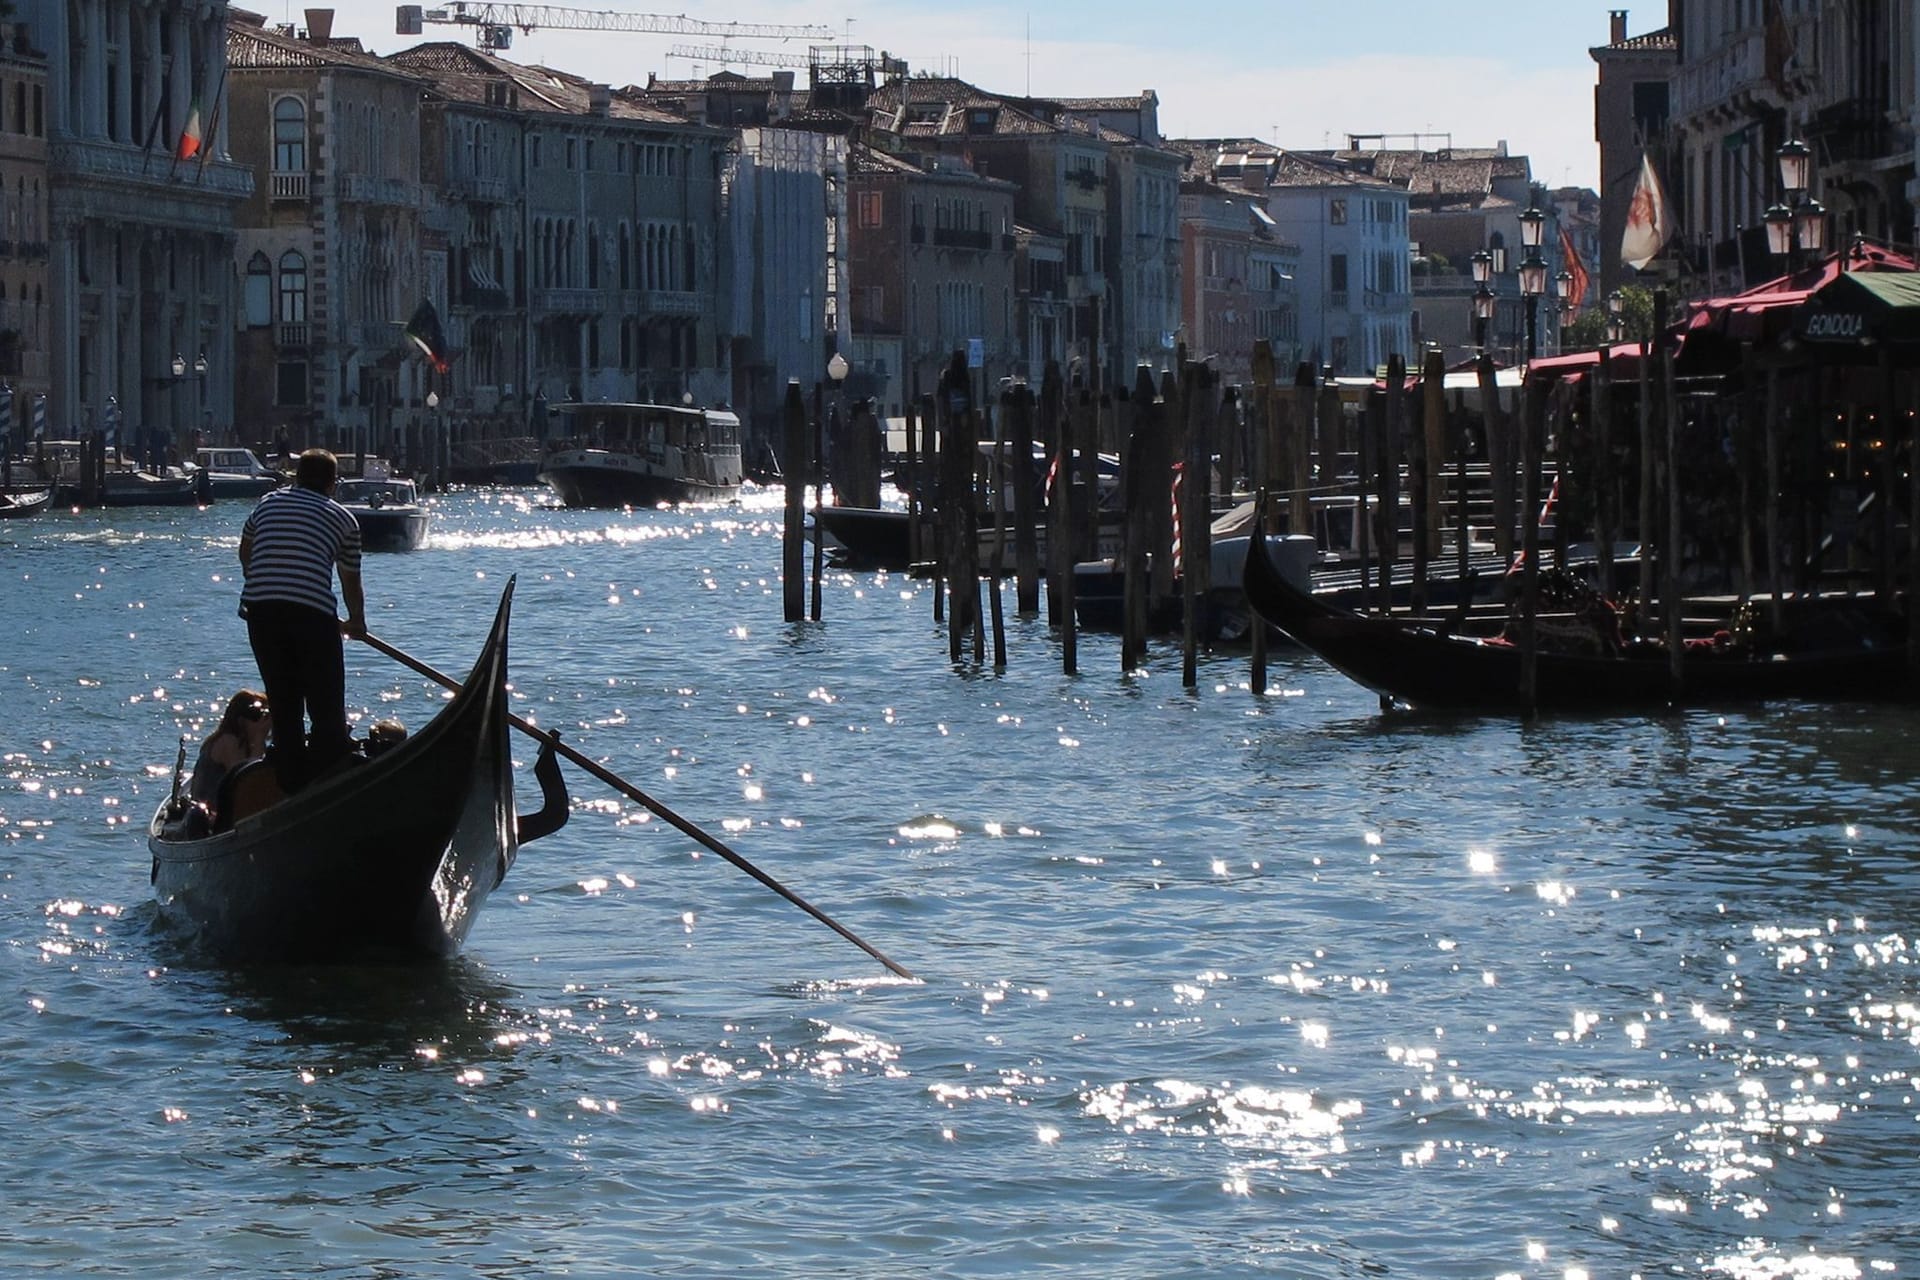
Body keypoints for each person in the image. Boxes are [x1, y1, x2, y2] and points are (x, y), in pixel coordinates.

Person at [238, 448, 366, 793]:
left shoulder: (267, 504)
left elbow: (246, 551)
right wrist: (357, 621)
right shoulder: (343, 519)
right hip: (312, 615)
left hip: (260, 612)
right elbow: (350, 578)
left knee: (284, 701)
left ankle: (292, 784)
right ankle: (329, 779)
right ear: (333, 483)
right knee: (325, 705)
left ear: (295, 476)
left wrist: (263, 582)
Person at [185, 690, 271, 817]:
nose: (263, 723)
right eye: (257, 717)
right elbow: (248, 783)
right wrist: (259, 739)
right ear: (241, 720)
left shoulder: (246, 743)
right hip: (212, 815)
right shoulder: (228, 742)